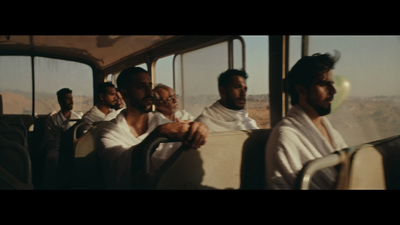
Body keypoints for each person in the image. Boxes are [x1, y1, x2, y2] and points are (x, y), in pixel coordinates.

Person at [96, 67, 209, 189]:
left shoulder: (163, 123)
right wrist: (158, 133)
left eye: (150, 86)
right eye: (141, 86)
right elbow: (123, 167)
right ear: (125, 94)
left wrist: (196, 129)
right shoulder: (108, 133)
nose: (150, 92)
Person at [265, 52, 347, 190]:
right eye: (323, 84)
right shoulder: (285, 137)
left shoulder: (331, 131)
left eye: (332, 84)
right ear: (301, 90)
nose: (333, 91)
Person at [42, 88, 82, 188]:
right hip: (57, 147)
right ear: (60, 101)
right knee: (52, 158)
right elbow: (49, 139)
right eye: (68, 99)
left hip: (74, 146)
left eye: (72, 98)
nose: (72, 101)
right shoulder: (53, 119)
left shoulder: (78, 118)